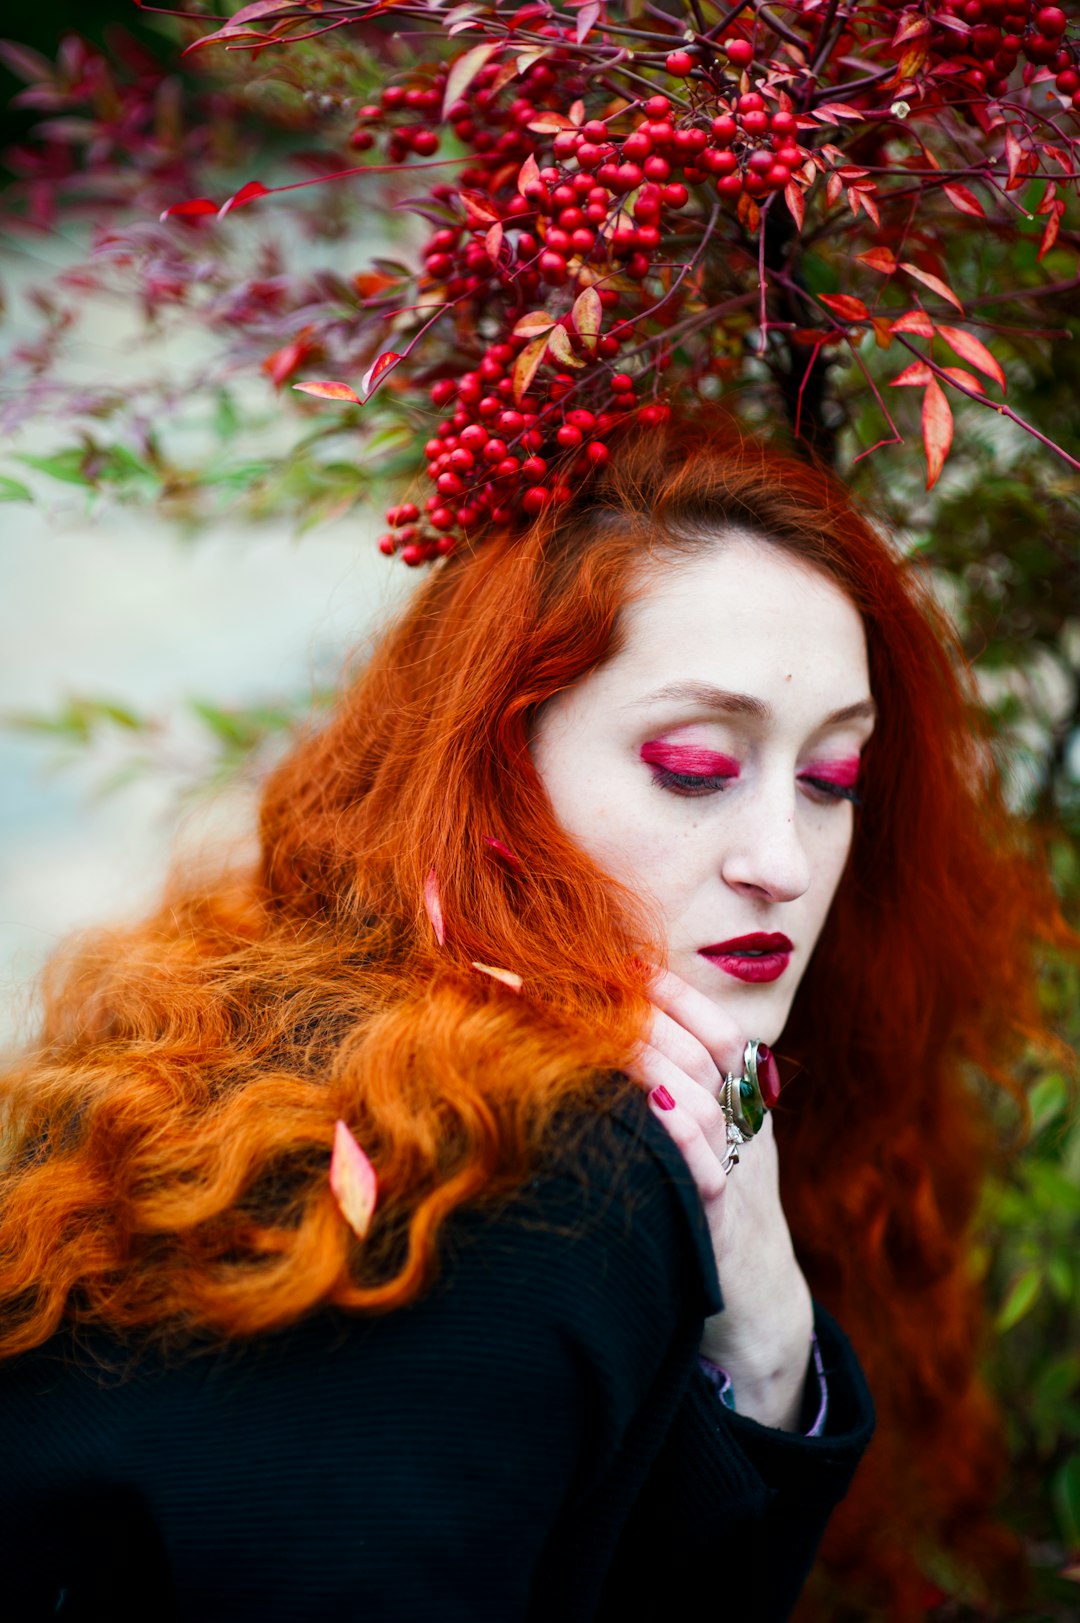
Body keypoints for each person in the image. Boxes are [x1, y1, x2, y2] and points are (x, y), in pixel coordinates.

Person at [0, 419, 1067, 1621]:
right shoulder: (534, 1162)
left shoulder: (298, 1038)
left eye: (832, 781)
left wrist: (768, 1340)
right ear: (500, 763)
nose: (784, 860)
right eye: (695, 765)